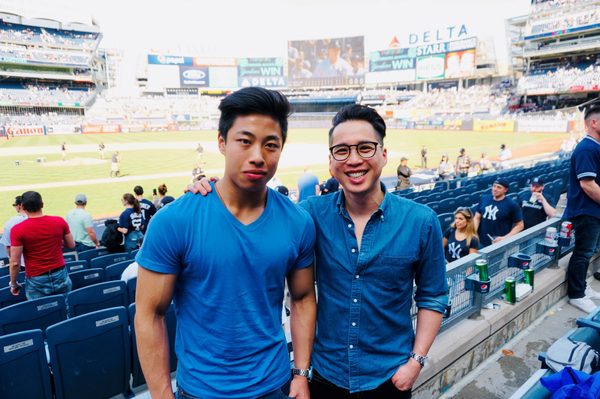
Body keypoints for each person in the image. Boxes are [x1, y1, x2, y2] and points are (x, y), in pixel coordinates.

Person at [192, 104, 448, 398]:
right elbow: (255, 208)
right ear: (331, 162)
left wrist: (416, 362)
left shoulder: (420, 221)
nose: (353, 159)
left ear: (383, 154)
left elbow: (432, 295)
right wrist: (210, 188)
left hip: (389, 376)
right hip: (325, 376)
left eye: (365, 148)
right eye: (342, 151)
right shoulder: (309, 214)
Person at [135, 87, 317, 399]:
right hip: (201, 391)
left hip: (274, 385)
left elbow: (302, 298)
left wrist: (300, 373)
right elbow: (149, 314)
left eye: (270, 145)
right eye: (244, 142)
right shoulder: (174, 221)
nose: (258, 156)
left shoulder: (298, 221)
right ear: (222, 142)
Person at [564, 97, 600, 313]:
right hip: (586, 210)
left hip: (592, 209)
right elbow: (588, 185)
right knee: (583, 252)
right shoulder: (587, 148)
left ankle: (583, 288)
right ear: (593, 123)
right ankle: (576, 294)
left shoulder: (593, 147)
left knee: (588, 251)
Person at [9, 191, 75, 299]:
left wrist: (13, 284)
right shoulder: (59, 221)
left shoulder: (17, 230)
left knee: (41, 313)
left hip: (36, 279)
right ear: (42, 204)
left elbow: (15, 263)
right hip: (60, 273)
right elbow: (71, 245)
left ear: (22, 207)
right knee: (66, 309)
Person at [474, 178, 524, 248]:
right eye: (494, 186)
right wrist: (474, 233)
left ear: (505, 190)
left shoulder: (512, 204)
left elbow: (520, 225)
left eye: (499, 187)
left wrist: (505, 238)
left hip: (499, 244)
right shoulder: (484, 199)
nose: (495, 189)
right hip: (481, 242)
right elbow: (477, 217)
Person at [0, 196, 27, 261]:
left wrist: (13, 262)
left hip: (22, 264)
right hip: (47, 263)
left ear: (19, 206)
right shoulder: (43, 220)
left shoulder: (10, 223)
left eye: (14, 205)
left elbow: (8, 247)